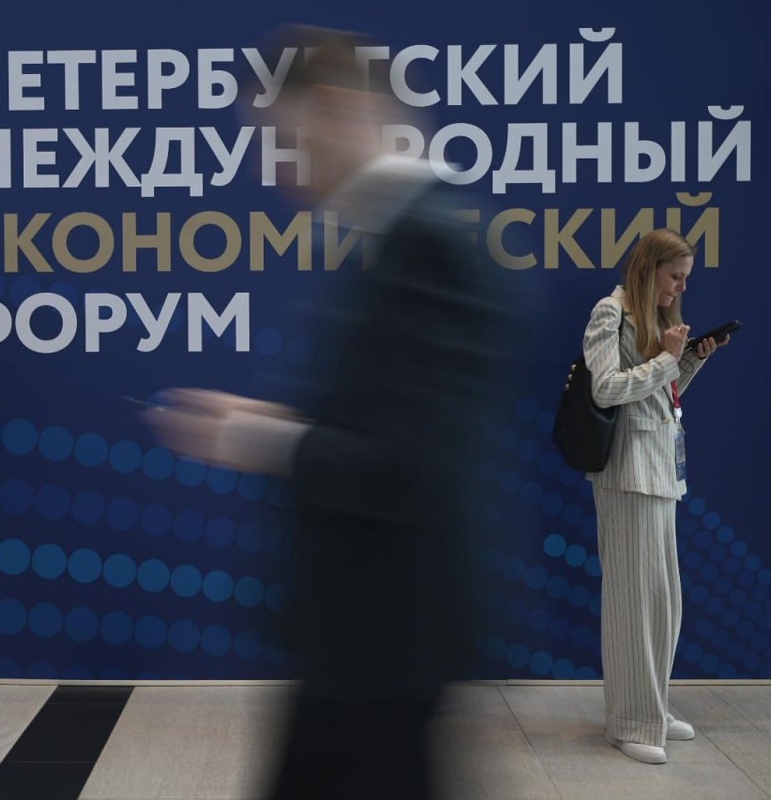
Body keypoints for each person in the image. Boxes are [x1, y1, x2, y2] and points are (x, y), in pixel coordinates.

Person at [143, 26, 528, 799]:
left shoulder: (431, 247)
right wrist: (276, 421)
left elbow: (410, 465)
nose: (274, 167)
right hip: (362, 636)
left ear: (335, 109)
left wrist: (251, 438)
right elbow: (381, 417)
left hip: (389, 634)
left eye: (278, 140)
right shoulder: (389, 239)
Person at [582, 227, 730, 765]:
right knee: (633, 604)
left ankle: (652, 707)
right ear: (649, 269)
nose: (680, 288)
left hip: (660, 472)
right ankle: (630, 721)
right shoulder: (610, 313)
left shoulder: (655, 320)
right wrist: (667, 360)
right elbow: (605, 389)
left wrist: (689, 361)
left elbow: (655, 401)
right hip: (626, 474)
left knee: (663, 602)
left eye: (685, 279)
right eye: (675, 277)